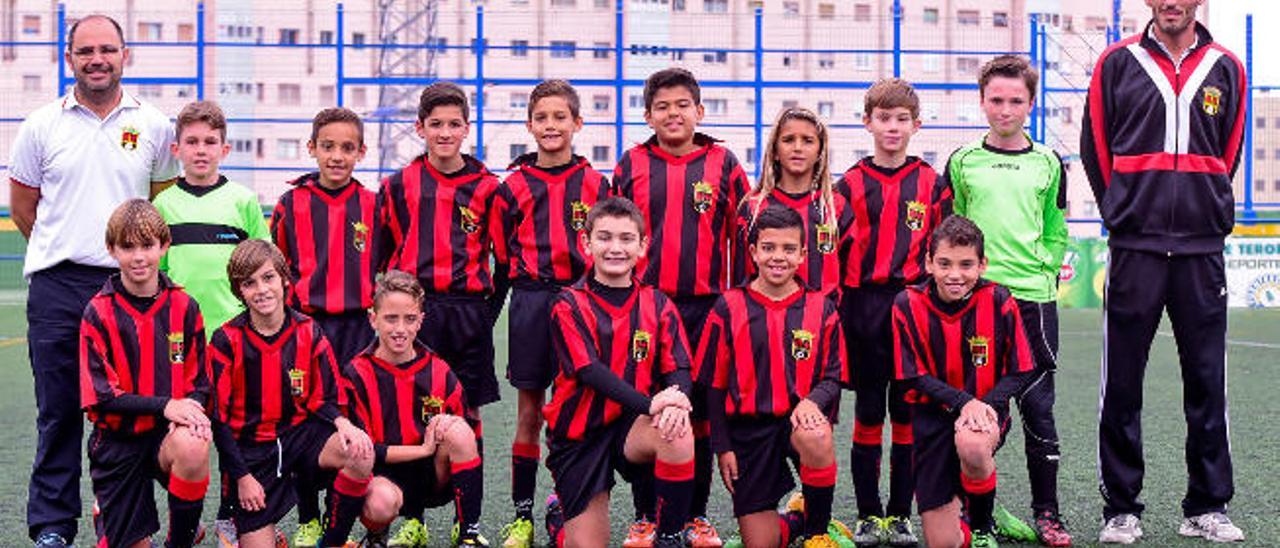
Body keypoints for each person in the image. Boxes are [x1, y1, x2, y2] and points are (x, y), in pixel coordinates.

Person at [8, 14, 180, 546]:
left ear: (125, 55)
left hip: (128, 290)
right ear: (70, 59)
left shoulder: (153, 125)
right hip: (57, 287)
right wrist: (69, 248)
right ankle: (53, 526)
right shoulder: (41, 125)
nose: (97, 59)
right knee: (58, 411)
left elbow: (158, 206)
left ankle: (131, 521)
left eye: (108, 49)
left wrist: (128, 260)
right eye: (86, 51)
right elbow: (22, 209)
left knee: (133, 411)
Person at [1080, 0, 1247, 543]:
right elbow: (1095, 146)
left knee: (1207, 382)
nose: (1171, 2)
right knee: (1122, 384)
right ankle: (1121, 508)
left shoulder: (1227, 66)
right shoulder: (1116, 63)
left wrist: (1206, 205)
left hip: (1201, 251)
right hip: (1136, 248)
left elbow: (1230, 151)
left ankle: (1207, 505)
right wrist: (1123, 212)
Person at [612, 67, 750, 548]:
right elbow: (615, 235)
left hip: (707, 309)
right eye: (662, 107)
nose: (673, 114)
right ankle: (647, 514)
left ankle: (693, 515)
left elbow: (744, 238)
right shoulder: (630, 164)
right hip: (646, 309)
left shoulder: (724, 163)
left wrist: (740, 301)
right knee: (653, 410)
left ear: (700, 111)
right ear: (648, 115)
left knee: (701, 415)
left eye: (682, 105)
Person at [943, 55, 1070, 547]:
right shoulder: (962, 161)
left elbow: (1056, 228)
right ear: (982, 102)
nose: (1005, 109)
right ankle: (974, 515)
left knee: (1038, 407)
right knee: (979, 412)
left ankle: (1048, 514)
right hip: (978, 303)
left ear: (1031, 105)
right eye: (996, 100)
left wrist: (1045, 263)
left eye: (1016, 100)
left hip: (1034, 300)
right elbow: (952, 229)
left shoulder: (1048, 163)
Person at [491, 79, 610, 548]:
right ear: (529, 125)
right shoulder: (513, 186)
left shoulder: (598, 183)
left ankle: (566, 501)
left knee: (577, 408)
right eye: (542, 117)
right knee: (530, 411)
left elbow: (608, 246)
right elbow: (502, 256)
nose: (551, 125)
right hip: (532, 302)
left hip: (582, 302)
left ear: (577, 123)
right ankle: (522, 514)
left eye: (561, 117)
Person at [543, 197, 696, 548]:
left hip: (632, 427)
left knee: (678, 428)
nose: (615, 248)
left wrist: (674, 400)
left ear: (643, 246)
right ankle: (560, 523)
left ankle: (669, 537)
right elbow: (588, 370)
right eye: (605, 237)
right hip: (579, 434)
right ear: (586, 243)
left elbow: (680, 367)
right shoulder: (567, 303)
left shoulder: (657, 303)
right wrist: (652, 404)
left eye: (626, 239)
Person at [836, 77, 949, 547]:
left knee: (906, 415)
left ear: (916, 125)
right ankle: (868, 513)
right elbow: (833, 252)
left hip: (911, 308)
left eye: (902, 119)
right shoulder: (848, 184)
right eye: (883, 118)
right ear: (867, 123)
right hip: (862, 307)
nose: (892, 127)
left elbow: (943, 248)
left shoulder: (931, 184)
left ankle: (900, 513)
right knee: (867, 412)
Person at [373, 82, 505, 471]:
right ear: (420, 128)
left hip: (468, 310)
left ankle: (470, 520)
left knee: (469, 406)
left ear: (466, 128)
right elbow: (382, 258)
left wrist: (485, 315)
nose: (444, 133)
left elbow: (503, 262)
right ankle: (413, 514)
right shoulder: (397, 186)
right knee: (411, 405)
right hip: (415, 309)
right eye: (435, 124)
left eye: (453, 124)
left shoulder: (488, 188)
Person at [207, 240, 373, 548]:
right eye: (249, 283)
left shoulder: (308, 330)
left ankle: (332, 541)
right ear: (239, 290)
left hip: (300, 439)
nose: (262, 289)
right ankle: (242, 525)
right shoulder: (225, 340)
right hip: (253, 453)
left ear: (284, 278)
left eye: (268, 277)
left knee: (360, 452)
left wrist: (343, 423)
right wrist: (242, 478)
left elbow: (325, 397)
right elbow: (219, 421)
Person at [698, 206, 847, 548]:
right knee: (760, 543)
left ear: (803, 255)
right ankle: (796, 520)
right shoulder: (728, 306)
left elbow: (833, 375)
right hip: (748, 431)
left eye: (788, 249)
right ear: (752, 252)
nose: (778, 257)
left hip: (797, 421)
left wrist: (812, 401)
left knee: (817, 436)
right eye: (768, 247)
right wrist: (722, 446)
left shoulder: (820, 307)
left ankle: (817, 534)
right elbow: (714, 385)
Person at [892, 215, 1035, 548]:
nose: (955, 274)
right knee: (942, 543)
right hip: (930, 419)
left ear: (982, 265)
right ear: (929, 263)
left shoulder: (999, 300)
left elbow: (1022, 369)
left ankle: (982, 526)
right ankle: (975, 508)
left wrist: (981, 404)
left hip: (985, 410)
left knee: (972, 444)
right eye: (944, 263)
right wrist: (963, 401)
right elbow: (910, 376)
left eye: (966, 264)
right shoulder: (907, 304)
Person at [270, 107, 377, 547]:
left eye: (347, 148)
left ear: (361, 152)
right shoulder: (290, 204)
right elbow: (278, 269)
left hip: (358, 328)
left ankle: (352, 522)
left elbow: (384, 265)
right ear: (311, 148)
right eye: (328, 147)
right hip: (307, 329)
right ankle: (309, 517)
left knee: (354, 417)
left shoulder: (373, 205)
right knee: (303, 417)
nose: (337, 156)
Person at [79, 199, 210, 548]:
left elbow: (200, 383)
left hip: (167, 439)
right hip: (117, 443)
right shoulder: (98, 312)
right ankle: (108, 513)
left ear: (164, 246)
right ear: (111, 249)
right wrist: (166, 405)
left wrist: (191, 411)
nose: (139, 257)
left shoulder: (185, 306)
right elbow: (103, 396)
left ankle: (181, 538)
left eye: (148, 245)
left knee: (194, 442)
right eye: (127, 246)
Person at [331, 270, 488, 547]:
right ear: (373, 319)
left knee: (460, 430)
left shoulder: (439, 371)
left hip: (433, 478)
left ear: (420, 322)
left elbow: (472, 442)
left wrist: (444, 435)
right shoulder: (356, 374)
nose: (400, 329)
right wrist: (423, 449)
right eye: (391, 318)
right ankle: (376, 532)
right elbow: (366, 453)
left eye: (409, 319)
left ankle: (468, 535)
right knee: (378, 500)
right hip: (383, 479)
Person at [154, 100, 271, 333]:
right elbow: (159, 273)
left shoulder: (244, 201)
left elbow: (263, 266)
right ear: (176, 150)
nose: (201, 150)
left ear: (224, 150)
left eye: (210, 142)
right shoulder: (162, 205)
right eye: (191, 142)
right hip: (179, 327)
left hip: (235, 328)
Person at [732, 108, 852, 298]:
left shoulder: (836, 207)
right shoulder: (752, 208)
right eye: (788, 140)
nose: (797, 147)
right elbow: (741, 279)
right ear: (776, 151)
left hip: (822, 323)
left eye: (808, 140)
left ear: (820, 152)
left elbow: (851, 280)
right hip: (764, 322)